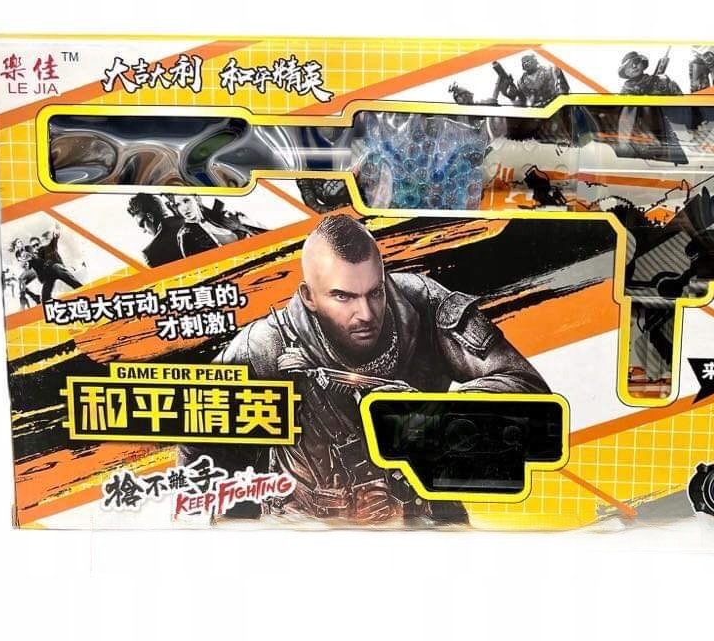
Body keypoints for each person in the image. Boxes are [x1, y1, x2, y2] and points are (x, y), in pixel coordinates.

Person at [180, 214, 549, 524]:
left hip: (427, 523)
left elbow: (530, 392)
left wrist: (427, 415)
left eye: (375, 292)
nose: (366, 314)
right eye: (343, 296)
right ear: (309, 296)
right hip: (307, 531)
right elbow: (196, 439)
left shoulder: (423, 304)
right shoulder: (264, 347)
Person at [170, 195, 267, 258]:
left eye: (186, 200)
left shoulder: (219, 216)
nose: (184, 208)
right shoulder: (185, 235)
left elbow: (254, 231)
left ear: (196, 198)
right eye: (178, 204)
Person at [127, 194, 184, 267]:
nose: (144, 231)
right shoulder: (186, 221)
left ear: (150, 217)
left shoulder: (150, 253)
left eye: (142, 225)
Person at [26, 229, 82, 302]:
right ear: (32, 248)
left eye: (37, 244)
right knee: (44, 298)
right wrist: (29, 261)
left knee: (56, 267)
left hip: (56, 269)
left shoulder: (48, 248)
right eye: (34, 246)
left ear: (40, 243)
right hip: (48, 276)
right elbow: (35, 271)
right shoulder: (33, 258)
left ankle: (80, 288)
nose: (36, 247)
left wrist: (55, 236)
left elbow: (54, 242)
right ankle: (49, 303)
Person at [618, 51, 683, 95]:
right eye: (629, 66)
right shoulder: (624, 95)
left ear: (642, 64)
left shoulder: (664, 82)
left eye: (636, 61)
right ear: (626, 72)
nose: (634, 66)